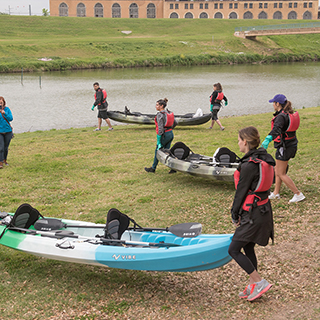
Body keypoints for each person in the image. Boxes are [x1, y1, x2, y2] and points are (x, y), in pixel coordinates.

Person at [228, 126, 275, 302]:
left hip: (253, 214)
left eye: (239, 140)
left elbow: (240, 193)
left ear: (245, 142)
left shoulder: (249, 166)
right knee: (248, 246)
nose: (238, 143)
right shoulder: (264, 158)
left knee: (233, 249)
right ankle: (253, 286)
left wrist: (234, 214)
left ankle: (259, 282)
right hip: (263, 210)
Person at [261, 94, 305, 203]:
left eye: (273, 103)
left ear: (278, 104)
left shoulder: (281, 116)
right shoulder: (288, 113)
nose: (273, 105)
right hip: (291, 145)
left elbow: (276, 130)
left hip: (284, 147)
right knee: (278, 170)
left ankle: (298, 194)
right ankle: (276, 193)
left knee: (281, 173)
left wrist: (267, 139)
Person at [144, 98, 177, 173]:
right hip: (170, 134)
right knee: (167, 152)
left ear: (161, 106)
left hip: (164, 135)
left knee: (158, 151)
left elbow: (160, 128)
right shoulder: (168, 112)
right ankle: (173, 168)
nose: (155, 106)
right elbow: (175, 122)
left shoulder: (160, 115)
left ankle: (153, 168)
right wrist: (170, 129)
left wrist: (159, 140)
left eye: (157, 105)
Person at [0, 96, 13, 169]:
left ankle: (5, 160)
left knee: (5, 148)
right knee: (1, 147)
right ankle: (0, 162)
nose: (0, 104)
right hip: (0, 132)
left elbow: (11, 118)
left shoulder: (7, 109)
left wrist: (4, 113)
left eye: (1, 102)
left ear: (3, 102)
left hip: (8, 131)